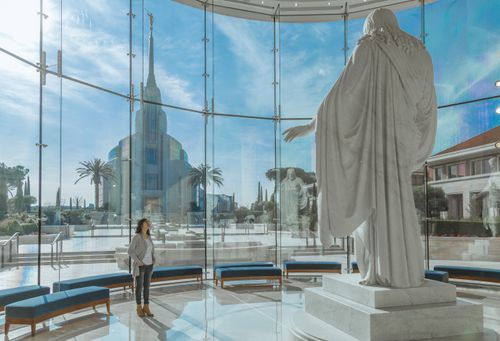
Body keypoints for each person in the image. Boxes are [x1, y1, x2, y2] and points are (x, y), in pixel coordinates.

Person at [283, 8, 437, 288]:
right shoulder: (421, 54)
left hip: (378, 139)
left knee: (373, 204)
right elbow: (427, 107)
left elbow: (341, 95)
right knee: (398, 201)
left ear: (371, 26)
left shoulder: (371, 45)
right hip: (405, 139)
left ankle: (380, 273)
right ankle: (406, 272)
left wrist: (310, 126)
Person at [128, 218, 155, 317]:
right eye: (145, 224)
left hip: (149, 265)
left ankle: (146, 307)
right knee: (139, 287)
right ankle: (139, 307)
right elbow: (130, 251)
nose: (147, 226)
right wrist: (138, 261)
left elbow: (151, 250)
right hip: (141, 266)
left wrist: (153, 258)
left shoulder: (149, 237)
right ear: (141, 226)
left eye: (148, 224)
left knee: (147, 287)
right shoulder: (137, 237)